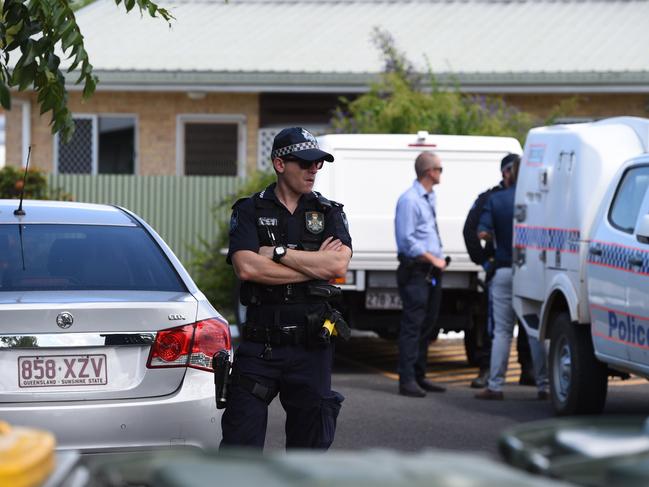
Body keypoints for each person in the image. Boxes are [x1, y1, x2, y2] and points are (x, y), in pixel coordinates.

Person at [221, 127, 353, 449]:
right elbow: (247, 268)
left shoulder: (329, 212)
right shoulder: (249, 210)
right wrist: (313, 266)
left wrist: (280, 254)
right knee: (240, 449)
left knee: (307, 456)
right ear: (280, 164)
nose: (314, 170)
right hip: (260, 347)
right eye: (306, 163)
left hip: (311, 347)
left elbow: (337, 266)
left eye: (318, 164)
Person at [474, 157, 549, 400]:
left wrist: (493, 243)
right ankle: (545, 385)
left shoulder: (497, 200)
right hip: (532, 271)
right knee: (535, 330)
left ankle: (495, 385)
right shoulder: (537, 201)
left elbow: (482, 231)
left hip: (504, 268)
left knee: (503, 331)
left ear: (507, 174)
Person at [462, 154, 535, 389]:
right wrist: (483, 262)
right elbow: (470, 231)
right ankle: (488, 370)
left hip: (520, 268)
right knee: (494, 325)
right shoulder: (491, 198)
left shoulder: (529, 198)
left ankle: (529, 370)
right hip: (501, 267)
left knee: (526, 324)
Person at [394, 151, 447, 397]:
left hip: (430, 272)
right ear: (429, 172)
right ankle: (406, 380)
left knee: (428, 324)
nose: (441, 172)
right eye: (440, 168)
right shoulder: (410, 200)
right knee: (412, 326)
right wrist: (431, 257)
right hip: (416, 270)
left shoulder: (429, 198)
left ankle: (419, 375)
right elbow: (407, 239)